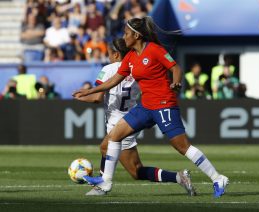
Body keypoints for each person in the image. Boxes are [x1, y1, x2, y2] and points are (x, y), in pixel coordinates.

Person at [73, 16, 229, 198]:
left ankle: (218, 178)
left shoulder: (155, 50)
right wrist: (90, 90)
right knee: (114, 136)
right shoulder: (130, 57)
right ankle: (106, 182)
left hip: (164, 104)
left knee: (182, 147)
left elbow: (176, 68)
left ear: (137, 35)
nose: (124, 37)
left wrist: (177, 83)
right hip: (145, 106)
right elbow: (114, 80)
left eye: (126, 33)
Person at [74, 38, 196, 196]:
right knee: (136, 171)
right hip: (132, 119)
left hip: (119, 123)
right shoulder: (135, 68)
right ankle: (179, 177)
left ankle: (102, 186)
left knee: (105, 146)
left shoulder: (109, 69)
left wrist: (79, 96)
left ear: (117, 55)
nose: (108, 57)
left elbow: (97, 98)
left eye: (110, 53)